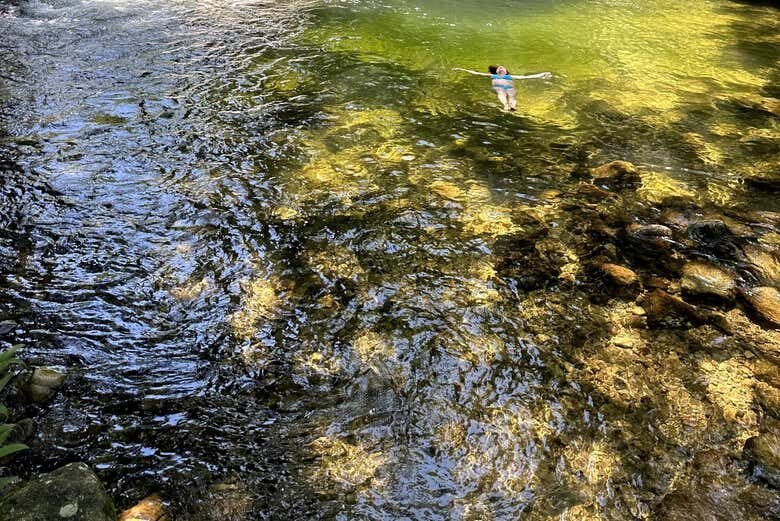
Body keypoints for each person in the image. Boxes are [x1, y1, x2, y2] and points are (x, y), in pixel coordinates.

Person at [454, 65, 552, 111]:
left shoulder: (509, 77)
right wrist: (461, 69)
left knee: (512, 97)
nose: (500, 68)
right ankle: (506, 105)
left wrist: (542, 74)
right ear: (496, 72)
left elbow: (526, 77)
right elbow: (476, 73)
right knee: (502, 94)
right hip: (500, 88)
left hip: (509, 87)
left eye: (502, 68)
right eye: (499, 68)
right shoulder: (493, 76)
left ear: (506, 72)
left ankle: (512, 107)